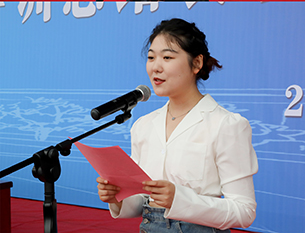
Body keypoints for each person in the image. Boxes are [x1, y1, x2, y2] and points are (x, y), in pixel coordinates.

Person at [96, 19, 258, 231]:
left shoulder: (226, 124)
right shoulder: (143, 125)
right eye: (151, 57)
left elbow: (244, 212)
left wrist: (179, 200)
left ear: (197, 63)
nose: (156, 67)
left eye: (167, 57)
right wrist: (118, 197)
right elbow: (143, 200)